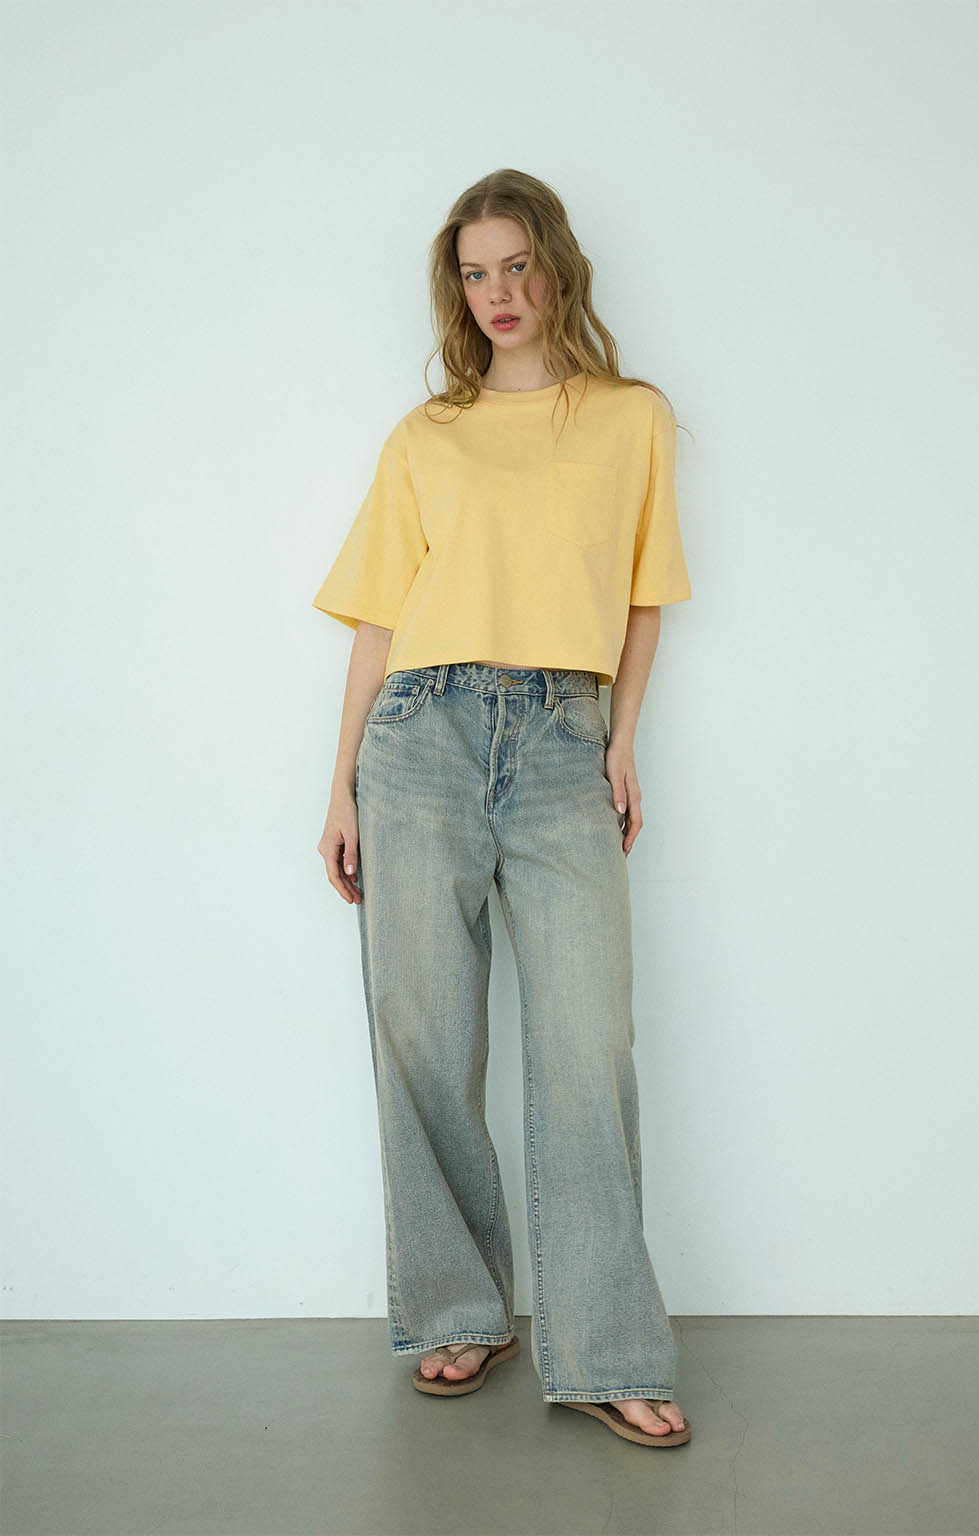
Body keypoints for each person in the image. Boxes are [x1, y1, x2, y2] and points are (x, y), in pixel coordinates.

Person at [313, 169, 694, 1449]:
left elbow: (641, 597)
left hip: (563, 740)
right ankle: (458, 1311)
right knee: (423, 1037)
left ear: (555, 268)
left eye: (517, 265)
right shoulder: (426, 437)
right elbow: (378, 619)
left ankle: (605, 1347)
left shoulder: (631, 418)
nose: (499, 293)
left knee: (589, 1046)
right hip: (418, 737)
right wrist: (339, 779)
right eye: (476, 273)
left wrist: (620, 740)